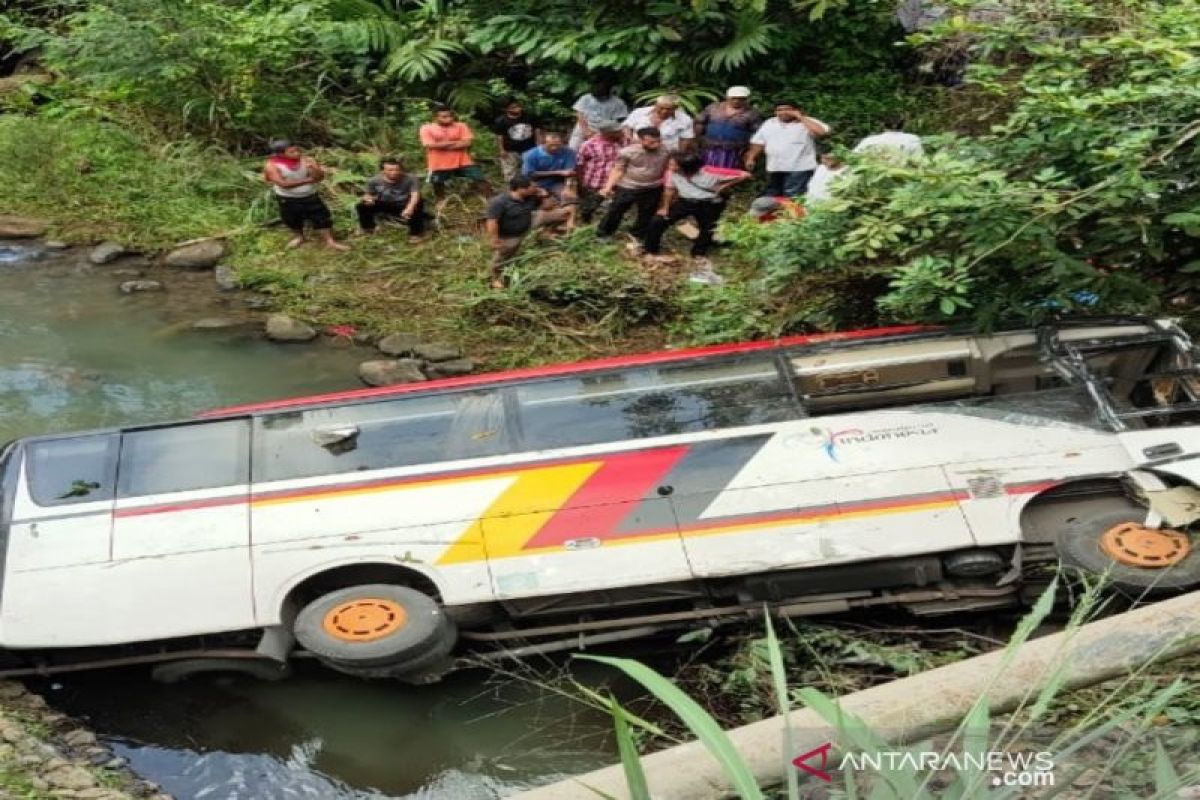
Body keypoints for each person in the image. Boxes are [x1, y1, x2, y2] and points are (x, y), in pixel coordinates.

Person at [642, 153, 750, 260]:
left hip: (710, 203)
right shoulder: (670, 173)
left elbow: (745, 174)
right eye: (670, 164)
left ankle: (698, 252)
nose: (670, 167)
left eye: (673, 165)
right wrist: (665, 208)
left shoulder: (709, 171)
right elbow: (669, 190)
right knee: (658, 221)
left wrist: (723, 186)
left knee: (708, 228)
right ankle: (650, 249)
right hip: (685, 201)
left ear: (686, 167)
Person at [485, 176, 573, 289]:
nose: (536, 188)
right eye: (533, 187)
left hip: (530, 220)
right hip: (511, 233)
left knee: (564, 213)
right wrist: (494, 239)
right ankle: (495, 278)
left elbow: (547, 207)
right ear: (521, 189)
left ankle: (547, 233)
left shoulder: (531, 196)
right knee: (503, 256)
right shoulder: (499, 202)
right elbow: (492, 222)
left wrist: (545, 195)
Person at [262, 139, 349, 251]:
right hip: (288, 198)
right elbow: (283, 184)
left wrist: (314, 168)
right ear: (281, 154)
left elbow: (319, 178)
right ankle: (300, 237)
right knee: (292, 219)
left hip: (310, 195)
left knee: (321, 217)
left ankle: (329, 241)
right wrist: (308, 180)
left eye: (297, 150)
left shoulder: (307, 160)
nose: (297, 153)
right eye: (292, 152)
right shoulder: (272, 166)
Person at [596, 127, 671, 242]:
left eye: (658, 141)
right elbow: (618, 170)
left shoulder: (666, 150)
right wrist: (608, 187)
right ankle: (604, 233)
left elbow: (669, 168)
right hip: (629, 186)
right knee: (616, 210)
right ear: (641, 140)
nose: (656, 145)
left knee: (647, 213)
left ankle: (638, 234)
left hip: (653, 186)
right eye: (651, 142)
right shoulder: (628, 152)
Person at [744, 101, 831, 197]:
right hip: (775, 167)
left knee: (793, 196)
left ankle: (792, 212)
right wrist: (751, 158)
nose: (783, 112)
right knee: (773, 195)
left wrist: (800, 117)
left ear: (796, 110)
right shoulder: (770, 123)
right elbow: (758, 142)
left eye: (787, 109)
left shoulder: (807, 121)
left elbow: (822, 133)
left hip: (800, 168)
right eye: (779, 110)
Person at [419, 105, 491, 201]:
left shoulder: (461, 126)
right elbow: (430, 145)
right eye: (444, 117)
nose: (448, 119)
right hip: (438, 162)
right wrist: (456, 142)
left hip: (462, 160)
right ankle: (440, 202)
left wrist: (442, 145)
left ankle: (491, 199)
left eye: (450, 116)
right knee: (437, 183)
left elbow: (467, 143)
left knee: (479, 177)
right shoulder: (426, 128)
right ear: (435, 117)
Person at [355, 157, 427, 239]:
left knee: (418, 203)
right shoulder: (374, 181)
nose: (394, 172)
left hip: (404, 203)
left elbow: (415, 195)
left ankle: (415, 234)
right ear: (383, 171)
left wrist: (409, 208)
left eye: (397, 170)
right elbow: (368, 194)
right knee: (362, 206)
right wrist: (368, 199)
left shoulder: (410, 178)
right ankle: (368, 228)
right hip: (386, 203)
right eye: (390, 170)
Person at [695, 86, 764, 169]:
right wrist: (697, 139)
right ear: (727, 97)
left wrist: (751, 155)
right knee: (706, 174)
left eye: (741, 99)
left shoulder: (752, 113)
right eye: (733, 98)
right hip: (709, 148)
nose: (736, 101)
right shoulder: (713, 108)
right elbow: (699, 122)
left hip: (735, 152)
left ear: (746, 99)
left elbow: (758, 136)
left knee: (728, 177)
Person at [575, 119, 625, 223]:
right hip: (594, 183)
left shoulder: (622, 143)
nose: (622, 132)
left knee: (611, 209)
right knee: (589, 208)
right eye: (618, 131)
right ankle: (585, 224)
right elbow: (579, 165)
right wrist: (581, 183)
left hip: (615, 183)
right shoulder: (589, 145)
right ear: (607, 133)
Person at [569, 78, 629, 151]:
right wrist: (586, 131)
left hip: (605, 129)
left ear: (608, 89)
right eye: (596, 87)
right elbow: (580, 115)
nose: (598, 89)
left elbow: (619, 121)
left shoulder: (618, 102)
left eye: (602, 88)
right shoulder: (586, 98)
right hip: (585, 125)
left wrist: (606, 134)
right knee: (573, 147)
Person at [623, 95, 695, 153]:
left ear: (676, 108)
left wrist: (679, 155)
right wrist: (629, 138)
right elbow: (627, 126)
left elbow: (686, 139)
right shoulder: (639, 112)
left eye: (669, 109)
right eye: (661, 108)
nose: (664, 111)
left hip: (666, 153)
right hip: (637, 150)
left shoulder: (685, 119)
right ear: (656, 104)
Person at [492, 98, 540, 181]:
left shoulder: (529, 116)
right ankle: (512, 190)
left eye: (518, 106)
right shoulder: (501, 121)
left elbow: (536, 130)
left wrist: (538, 144)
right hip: (510, 149)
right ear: (506, 109)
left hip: (529, 148)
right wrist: (501, 150)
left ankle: (530, 188)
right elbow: (499, 136)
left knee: (530, 171)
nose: (517, 108)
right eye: (513, 107)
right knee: (510, 172)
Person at [520, 132, 577, 198]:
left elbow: (569, 173)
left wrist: (568, 188)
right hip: (535, 183)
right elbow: (530, 174)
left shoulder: (568, 152)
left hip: (557, 183)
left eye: (558, 145)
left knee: (569, 197)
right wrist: (558, 172)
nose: (555, 148)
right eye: (551, 145)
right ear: (543, 143)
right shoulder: (531, 154)